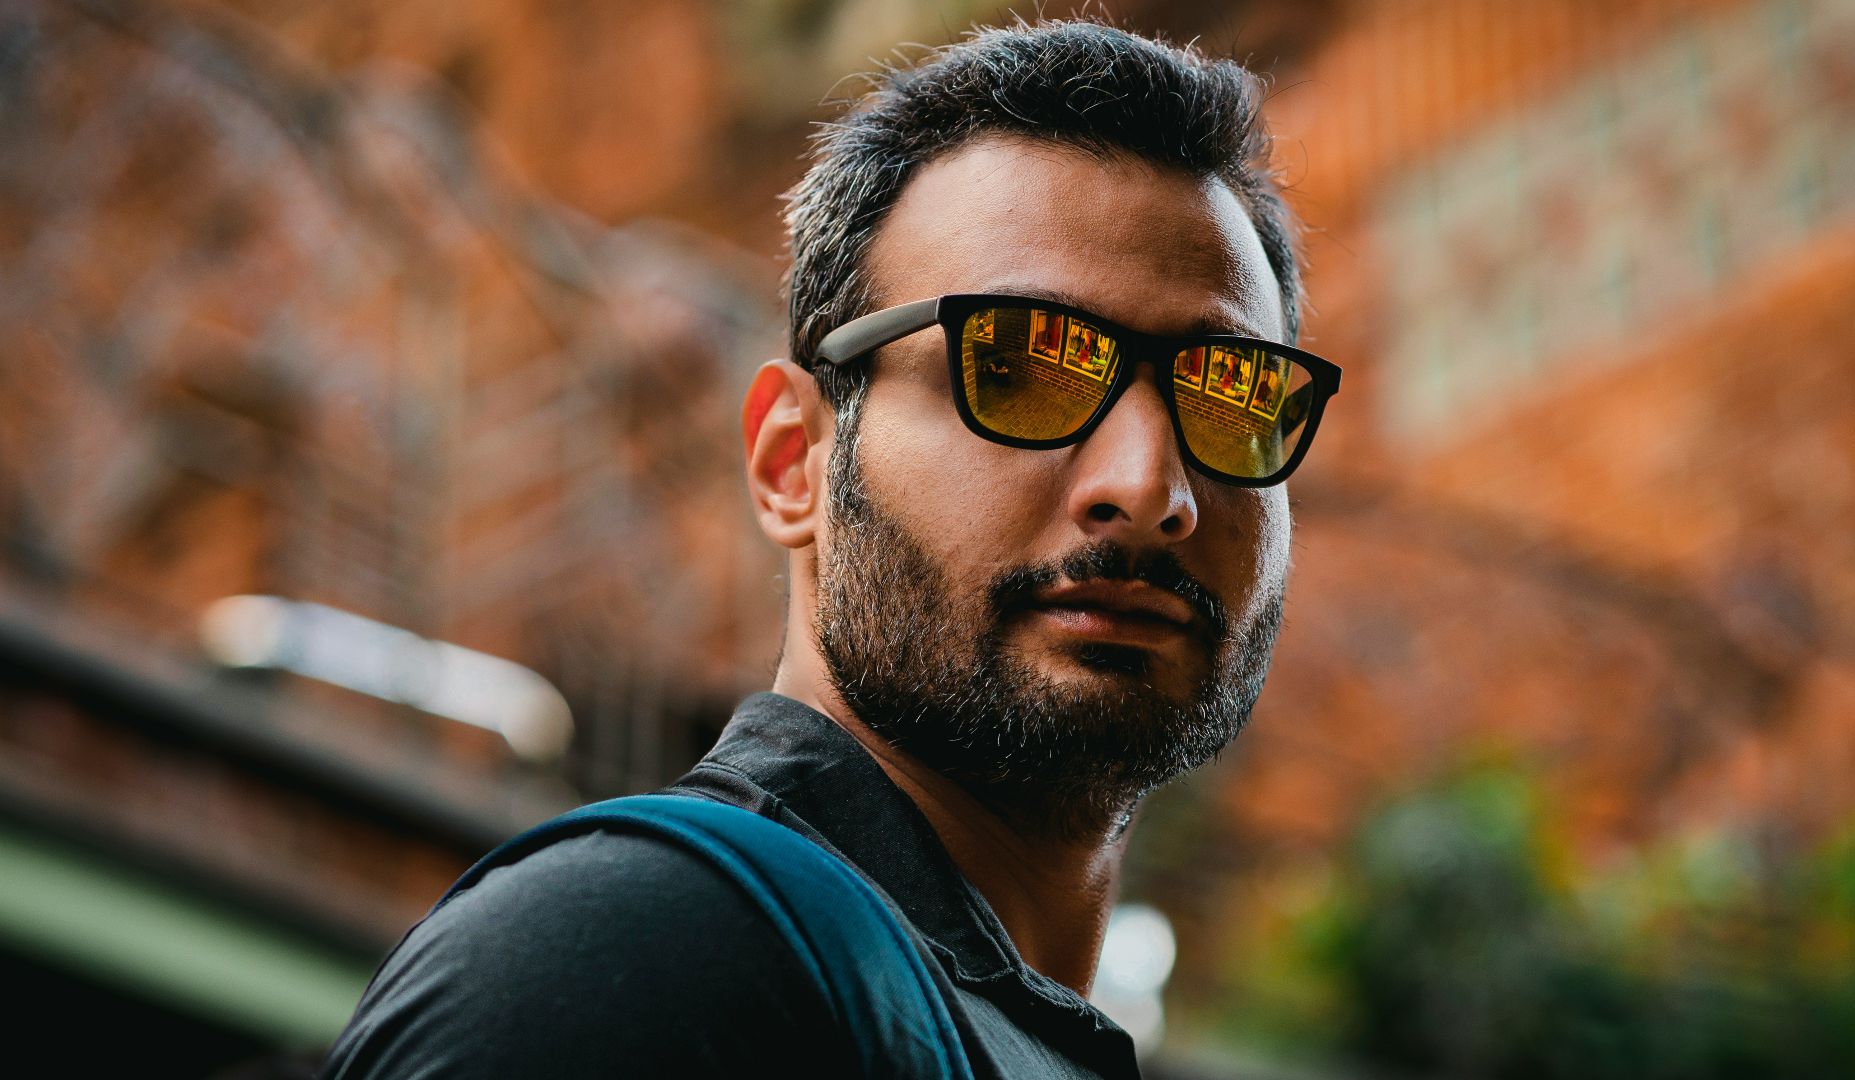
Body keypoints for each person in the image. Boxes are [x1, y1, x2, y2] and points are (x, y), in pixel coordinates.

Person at [319, 18, 1337, 1079]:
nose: (1147, 488)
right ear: (791, 461)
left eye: (1231, 395)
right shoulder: (645, 949)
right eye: (1023, 365)